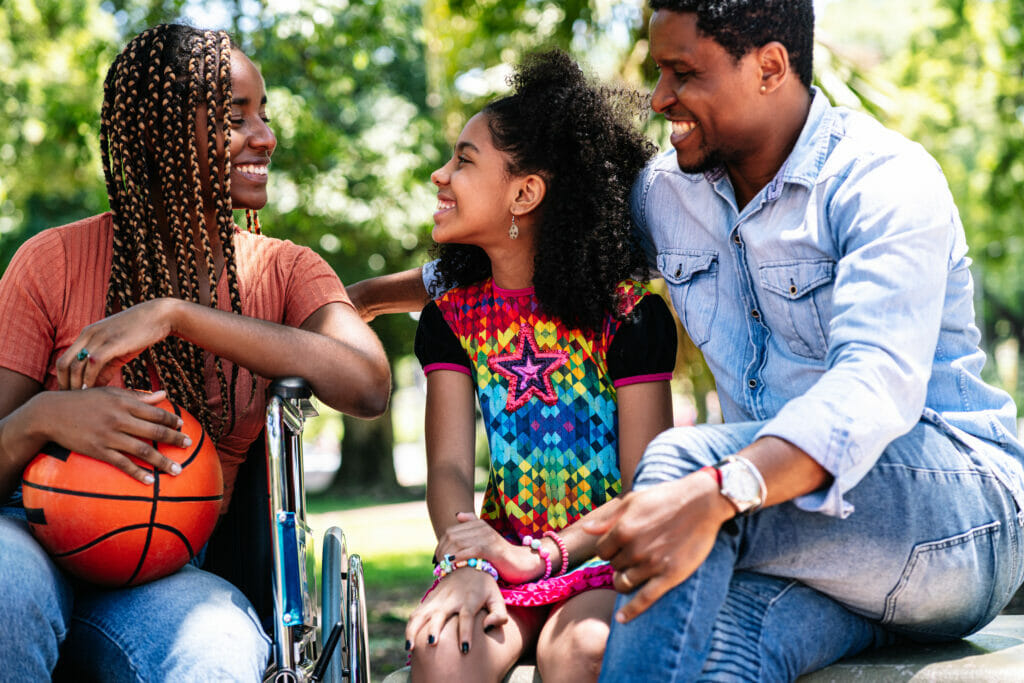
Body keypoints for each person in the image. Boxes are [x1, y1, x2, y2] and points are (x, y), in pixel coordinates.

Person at [350, 1, 1024, 680]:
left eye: (682, 71)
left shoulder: (881, 181)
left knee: (677, 463)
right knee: (708, 656)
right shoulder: (670, 197)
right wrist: (372, 297)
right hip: (808, 548)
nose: (658, 97)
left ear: (769, 67)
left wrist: (724, 486)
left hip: (954, 524)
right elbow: (547, 252)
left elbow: (873, 387)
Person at [0, 24, 391, 681]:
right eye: (237, 118)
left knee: (218, 648)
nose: (264, 136)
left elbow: (368, 383)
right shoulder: (51, 262)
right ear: (160, 136)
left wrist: (176, 316)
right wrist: (45, 418)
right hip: (31, 541)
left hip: (168, 571)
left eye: (264, 114)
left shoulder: (284, 271)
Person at [402, 50, 677, 683]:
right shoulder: (451, 320)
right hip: (495, 555)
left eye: (464, 162)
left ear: (525, 193)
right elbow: (447, 467)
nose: (441, 176)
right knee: (441, 648)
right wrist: (466, 559)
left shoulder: (627, 318)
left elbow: (644, 489)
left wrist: (548, 556)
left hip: (602, 557)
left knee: (578, 648)